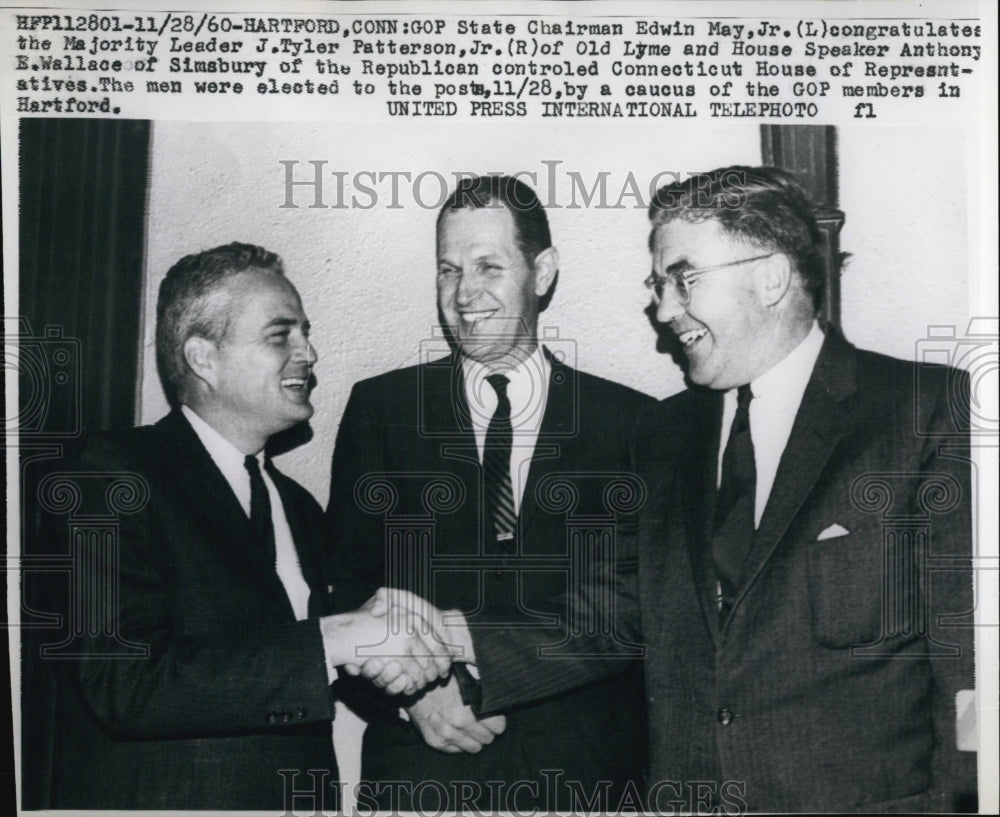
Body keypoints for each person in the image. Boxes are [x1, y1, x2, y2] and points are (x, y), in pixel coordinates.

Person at [466, 166, 978, 812]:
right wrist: (455, 639)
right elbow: (614, 611)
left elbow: (975, 664)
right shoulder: (663, 433)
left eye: (683, 278)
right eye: (658, 285)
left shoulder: (924, 412)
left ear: (771, 276)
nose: (662, 309)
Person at [25, 242, 451, 810]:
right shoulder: (114, 472)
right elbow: (124, 683)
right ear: (203, 357)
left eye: (305, 332)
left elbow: (307, 670)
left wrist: (419, 693)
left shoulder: (298, 507)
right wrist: (335, 636)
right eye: (281, 335)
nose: (310, 352)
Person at [327, 176, 652, 811]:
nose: (464, 293)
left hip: (586, 776)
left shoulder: (635, 424)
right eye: (447, 270)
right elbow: (342, 591)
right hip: (424, 776)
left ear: (544, 271)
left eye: (488, 267)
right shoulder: (382, 410)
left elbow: (642, 609)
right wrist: (412, 699)